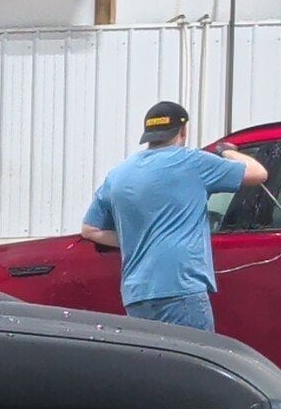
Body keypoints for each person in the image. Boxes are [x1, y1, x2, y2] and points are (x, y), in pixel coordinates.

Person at [81, 101, 267, 333]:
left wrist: (136, 237)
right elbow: (258, 173)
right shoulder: (192, 162)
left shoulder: (118, 174)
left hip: (136, 295)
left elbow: (90, 229)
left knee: (154, 366)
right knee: (194, 364)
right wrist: (227, 151)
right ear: (183, 131)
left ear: (148, 134)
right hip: (181, 289)